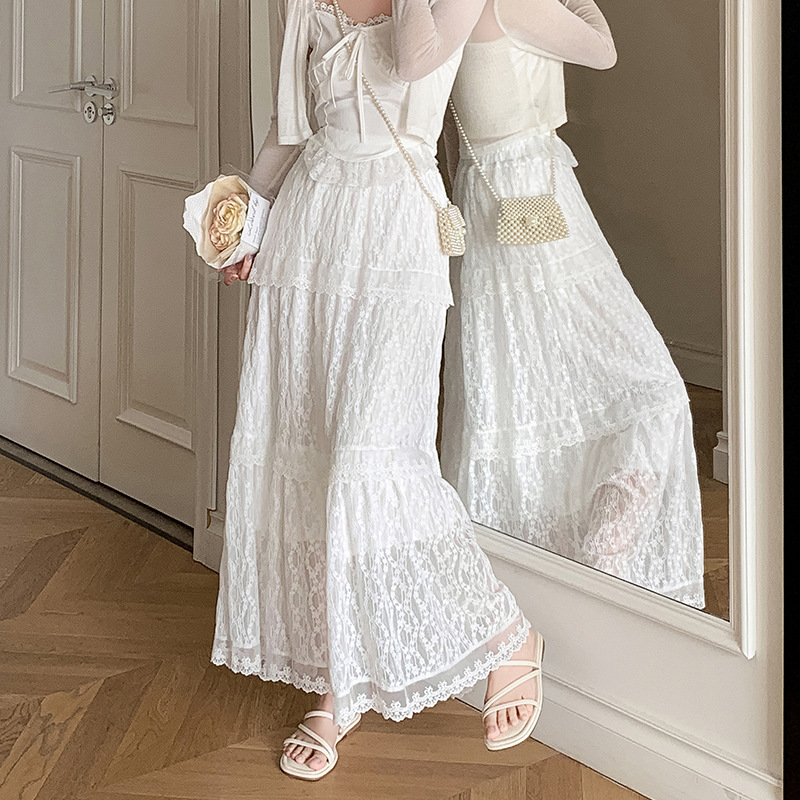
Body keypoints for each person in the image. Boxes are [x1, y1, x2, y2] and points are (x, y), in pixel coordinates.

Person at [211, 0, 545, 781]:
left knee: (377, 457)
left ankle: (507, 634)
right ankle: (339, 685)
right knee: (314, 462)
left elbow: (428, 65)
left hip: (399, 229)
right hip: (309, 232)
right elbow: (287, 129)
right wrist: (247, 223)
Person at [440, 0, 705, 608]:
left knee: (519, 398)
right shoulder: (511, 4)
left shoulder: (451, 9)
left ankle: (539, 590)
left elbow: (454, 140)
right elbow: (602, 50)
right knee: (652, 391)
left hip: (487, 200)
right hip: (535, 194)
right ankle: (597, 569)